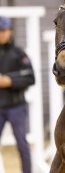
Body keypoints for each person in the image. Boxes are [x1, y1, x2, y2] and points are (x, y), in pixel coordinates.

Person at [0, 16, 35, 173]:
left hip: (17, 107)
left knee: (22, 146)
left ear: (10, 31)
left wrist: (10, 81)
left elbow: (30, 77)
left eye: (3, 31)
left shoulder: (19, 53)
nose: (1, 34)